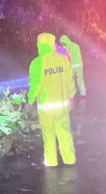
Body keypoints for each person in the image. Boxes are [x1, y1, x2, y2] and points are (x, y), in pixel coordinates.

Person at [28, 32, 77, 167]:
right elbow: (70, 81)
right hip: (62, 106)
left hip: (46, 108)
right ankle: (69, 159)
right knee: (64, 133)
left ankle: (51, 161)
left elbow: (35, 86)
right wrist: (71, 97)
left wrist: (30, 101)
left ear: (40, 45)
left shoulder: (37, 63)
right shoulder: (63, 60)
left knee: (48, 135)